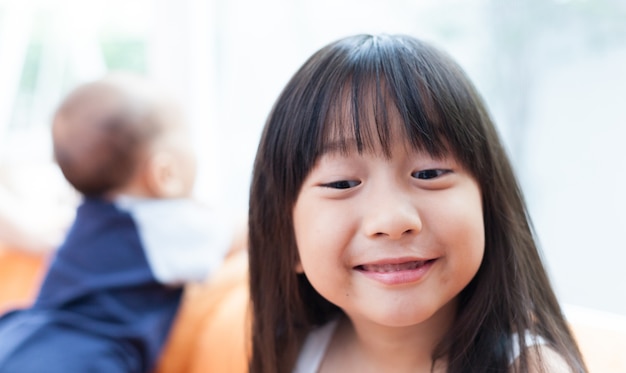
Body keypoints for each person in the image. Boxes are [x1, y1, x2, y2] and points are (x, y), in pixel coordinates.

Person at [247, 34, 588, 372]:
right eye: (342, 183)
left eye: (429, 173)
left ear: (487, 205)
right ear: (286, 237)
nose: (393, 219)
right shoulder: (292, 352)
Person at [0, 73, 236, 373]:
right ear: (166, 172)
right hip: (83, 356)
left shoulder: (90, 214)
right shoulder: (164, 226)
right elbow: (250, 232)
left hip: (22, 335)